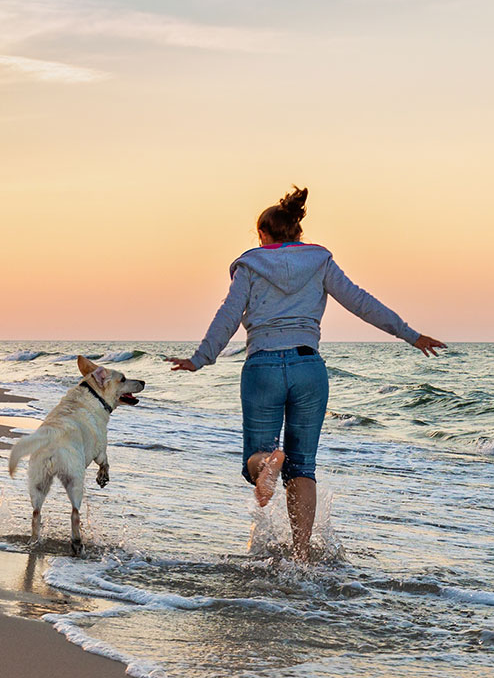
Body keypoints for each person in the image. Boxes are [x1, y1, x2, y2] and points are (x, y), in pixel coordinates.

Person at [167, 186, 445, 562]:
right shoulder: (320, 261)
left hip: (263, 365)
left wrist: (200, 359)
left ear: (263, 235)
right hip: (308, 367)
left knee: (258, 456)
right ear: (297, 232)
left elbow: (228, 317)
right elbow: (361, 302)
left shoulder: (250, 266)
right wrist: (410, 335)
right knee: (302, 466)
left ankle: (265, 464)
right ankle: (301, 554)